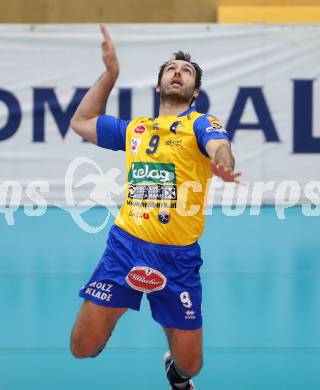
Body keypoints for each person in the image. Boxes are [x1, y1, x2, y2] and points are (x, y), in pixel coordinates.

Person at [70, 25, 241, 390]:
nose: (178, 72)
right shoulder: (137, 129)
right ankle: (109, 316)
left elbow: (219, 145)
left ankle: (174, 374)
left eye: (187, 71)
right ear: (159, 84)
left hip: (177, 260)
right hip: (125, 248)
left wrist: (222, 161)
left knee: (191, 365)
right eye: (171, 69)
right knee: (81, 349)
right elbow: (81, 121)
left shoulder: (200, 124)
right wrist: (111, 74)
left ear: (194, 92)